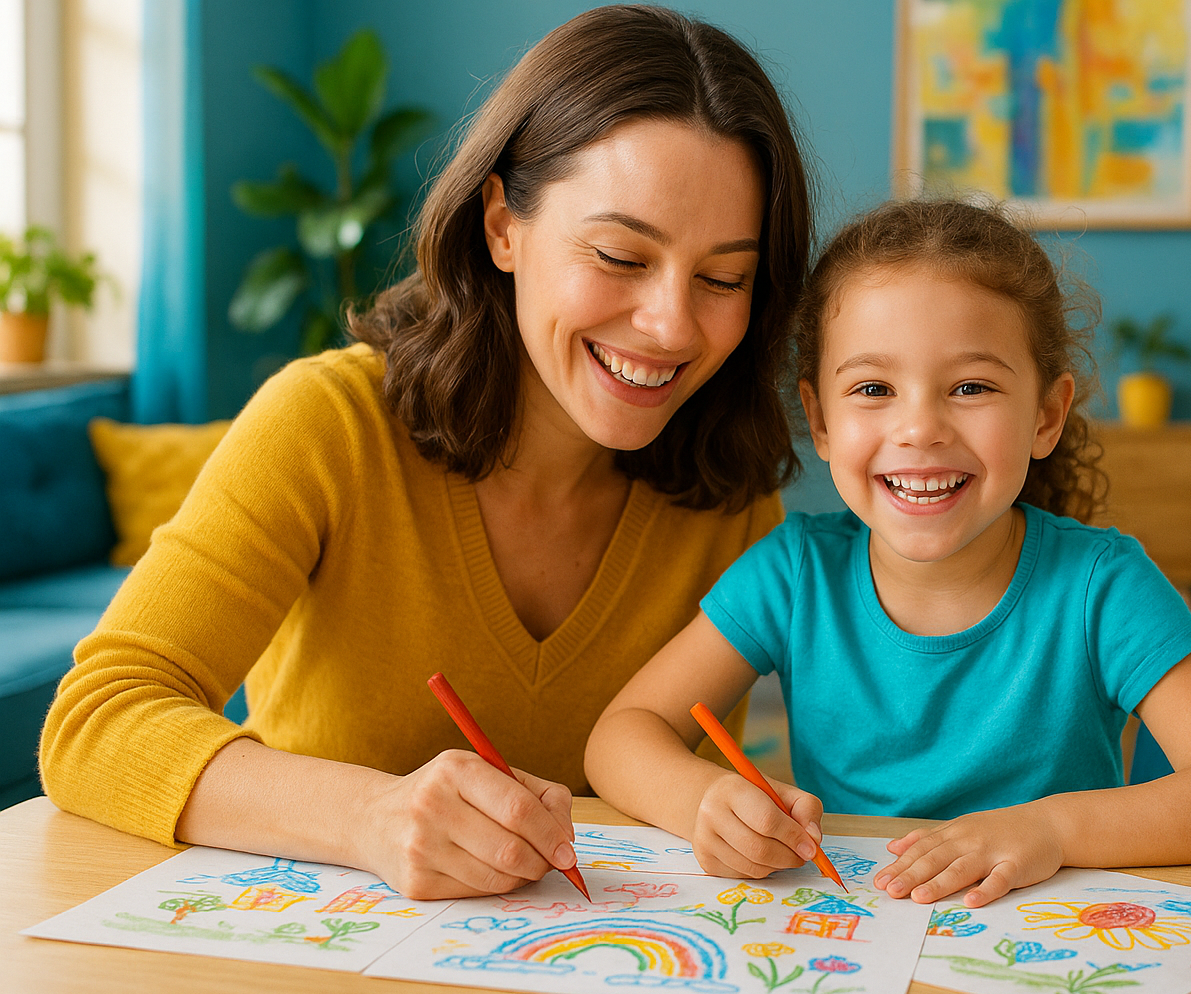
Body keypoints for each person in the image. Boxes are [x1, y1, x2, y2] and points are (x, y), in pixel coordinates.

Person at [39, 5, 811, 901]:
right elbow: (95, 721)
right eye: (618, 255)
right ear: (502, 226)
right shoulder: (328, 426)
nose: (673, 326)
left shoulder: (731, 498)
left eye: (723, 278)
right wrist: (368, 816)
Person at [586, 200, 1191, 908]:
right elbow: (622, 735)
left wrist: (1051, 829)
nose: (920, 428)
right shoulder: (794, 573)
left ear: (1046, 415)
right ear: (821, 419)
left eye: (970, 387)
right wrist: (701, 799)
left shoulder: (1103, 587)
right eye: (874, 388)